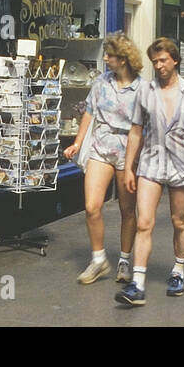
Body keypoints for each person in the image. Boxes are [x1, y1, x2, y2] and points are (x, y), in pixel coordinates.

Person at [117, 38, 184, 307]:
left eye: (162, 60)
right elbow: (135, 131)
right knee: (144, 222)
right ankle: (137, 283)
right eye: (154, 62)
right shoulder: (145, 91)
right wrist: (128, 167)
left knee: (178, 221)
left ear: (175, 60)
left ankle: (178, 270)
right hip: (151, 162)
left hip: (182, 164)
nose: (158, 66)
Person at [63, 32, 143, 286]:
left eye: (110, 55)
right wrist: (77, 142)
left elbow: (143, 126)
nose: (105, 58)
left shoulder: (142, 88)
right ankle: (98, 260)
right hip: (101, 145)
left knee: (127, 209)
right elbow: (89, 112)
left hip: (128, 148)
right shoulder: (101, 82)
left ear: (123, 58)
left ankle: (124, 259)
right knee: (92, 206)